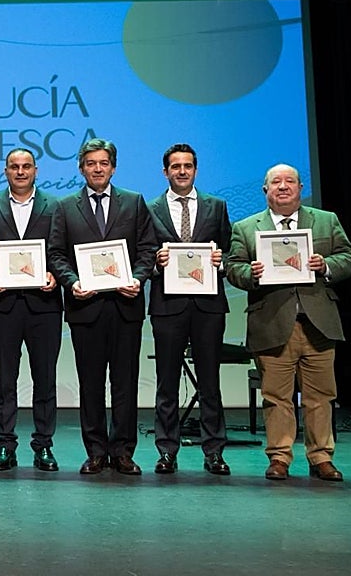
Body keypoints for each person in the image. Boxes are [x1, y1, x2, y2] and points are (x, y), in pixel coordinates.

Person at [225, 163, 351, 482]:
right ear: (265, 190)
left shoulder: (326, 221)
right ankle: (280, 457)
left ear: (300, 188)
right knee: (276, 396)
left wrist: (325, 265)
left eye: (290, 182)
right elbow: (233, 267)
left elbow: (350, 258)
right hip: (271, 321)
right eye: (276, 182)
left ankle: (321, 457)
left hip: (318, 322)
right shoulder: (246, 228)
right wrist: (251, 274)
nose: (283, 187)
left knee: (321, 395)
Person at [47, 138, 157, 476]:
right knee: (90, 384)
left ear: (113, 166)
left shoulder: (135, 202)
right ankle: (95, 450)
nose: (98, 169)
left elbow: (148, 249)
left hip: (125, 305)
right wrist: (72, 282)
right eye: (91, 163)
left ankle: (123, 451)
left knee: (125, 382)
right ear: (81, 168)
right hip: (86, 307)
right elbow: (56, 254)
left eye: (104, 163)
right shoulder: (65, 206)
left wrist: (138, 278)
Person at [0, 148, 62, 473]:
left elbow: (60, 249)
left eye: (26, 167)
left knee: (45, 380)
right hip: (4, 306)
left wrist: (55, 274)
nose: (21, 172)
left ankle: (43, 446)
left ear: (36, 170)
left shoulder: (54, 206)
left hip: (45, 306)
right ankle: (5, 445)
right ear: (6, 171)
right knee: (4, 381)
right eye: (14, 167)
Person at [147, 143, 232, 476]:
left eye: (188, 166)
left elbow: (229, 249)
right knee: (166, 382)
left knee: (210, 381)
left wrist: (220, 261)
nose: (182, 171)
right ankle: (167, 450)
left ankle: (214, 451)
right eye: (175, 166)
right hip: (167, 304)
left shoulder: (216, 206)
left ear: (195, 170)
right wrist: (155, 262)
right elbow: (143, 251)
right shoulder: (149, 208)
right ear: (165, 171)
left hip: (208, 305)